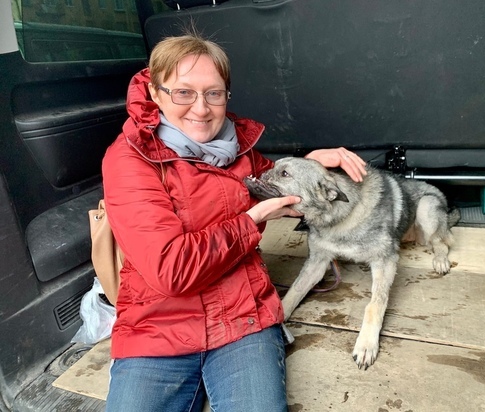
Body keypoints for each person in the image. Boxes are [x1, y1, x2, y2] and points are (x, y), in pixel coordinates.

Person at [102, 33, 367, 412]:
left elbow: (273, 182)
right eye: (183, 93)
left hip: (244, 317)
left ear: (227, 96)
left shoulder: (238, 146)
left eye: (214, 93)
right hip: (157, 326)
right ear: (156, 94)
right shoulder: (128, 160)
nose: (201, 108)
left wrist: (310, 163)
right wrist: (252, 219)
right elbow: (171, 271)